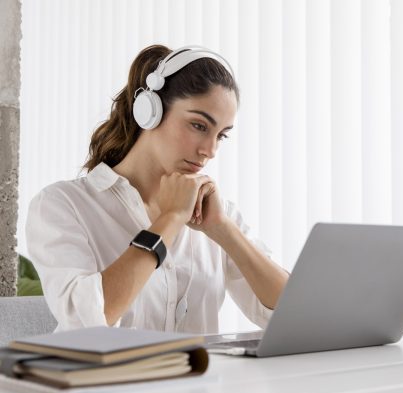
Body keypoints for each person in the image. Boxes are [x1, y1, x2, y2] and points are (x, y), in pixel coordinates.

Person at [26, 44, 289, 334]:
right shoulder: (63, 205)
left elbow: (291, 315)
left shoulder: (217, 213)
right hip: (97, 380)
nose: (210, 150)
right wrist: (171, 219)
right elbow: (86, 319)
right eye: (199, 125)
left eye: (221, 135)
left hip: (197, 379)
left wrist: (224, 231)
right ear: (148, 112)